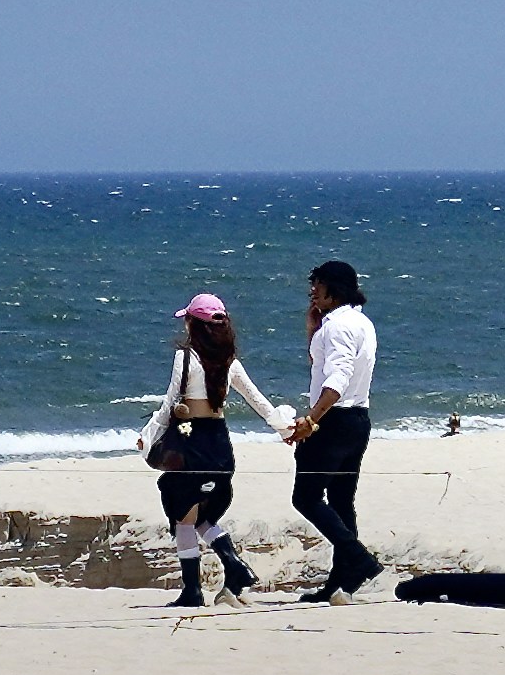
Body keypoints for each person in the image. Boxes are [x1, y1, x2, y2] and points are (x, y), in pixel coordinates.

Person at [141, 296, 263, 608]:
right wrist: (286, 428)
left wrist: (148, 435)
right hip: (220, 444)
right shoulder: (229, 361)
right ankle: (231, 564)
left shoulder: (185, 358)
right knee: (201, 516)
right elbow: (257, 399)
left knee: (184, 517)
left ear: (194, 324)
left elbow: (170, 403)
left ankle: (195, 589)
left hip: (191, 440)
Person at [282, 258, 382, 602]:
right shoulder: (361, 323)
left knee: (305, 497)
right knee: (341, 501)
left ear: (334, 289)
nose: (313, 289)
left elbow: (335, 380)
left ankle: (359, 558)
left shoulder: (337, 327)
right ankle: (340, 584)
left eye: (319, 283)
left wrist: (312, 419)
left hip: (335, 420)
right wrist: (313, 330)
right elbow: (326, 367)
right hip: (359, 420)